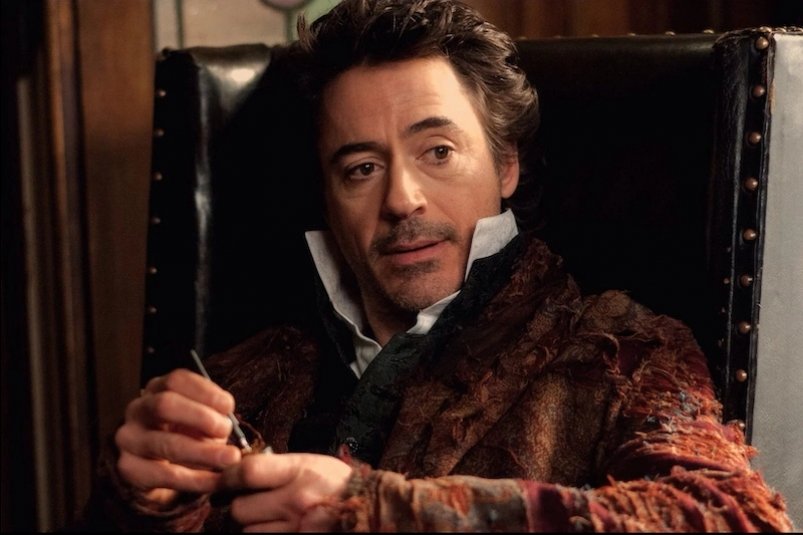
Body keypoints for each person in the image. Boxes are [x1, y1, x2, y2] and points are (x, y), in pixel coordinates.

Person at [74, 0, 793, 532]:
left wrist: (382, 512)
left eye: (438, 152)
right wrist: (141, 503)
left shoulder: (617, 351)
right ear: (328, 197)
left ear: (506, 164)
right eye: (361, 167)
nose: (401, 199)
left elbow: (732, 518)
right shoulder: (248, 376)